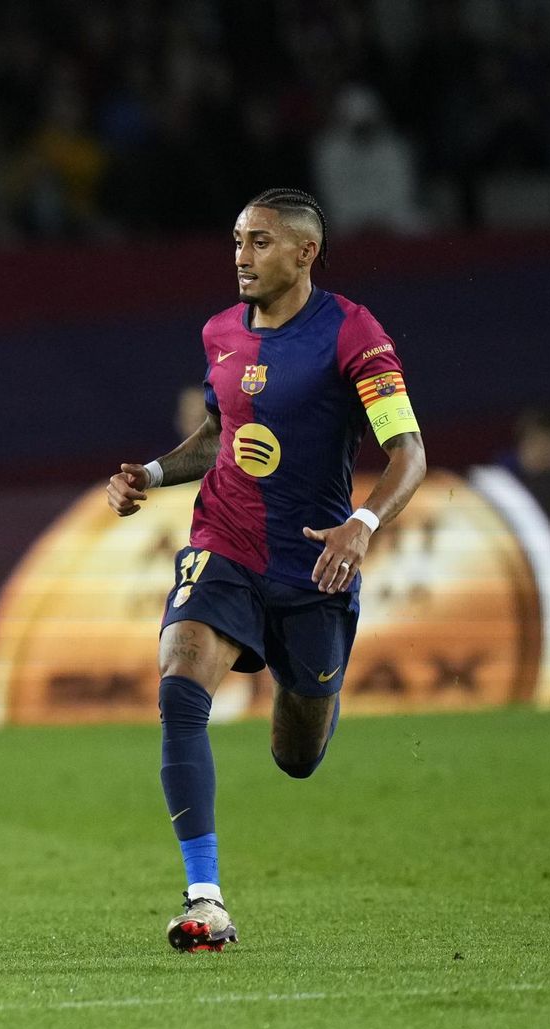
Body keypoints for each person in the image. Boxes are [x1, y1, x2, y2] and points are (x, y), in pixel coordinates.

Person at [106, 189, 427, 953]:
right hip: (225, 544)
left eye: (259, 242)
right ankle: (205, 899)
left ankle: (315, 687)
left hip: (313, 562)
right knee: (179, 684)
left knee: (297, 755)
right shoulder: (220, 332)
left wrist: (364, 522)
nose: (242, 257)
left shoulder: (352, 333)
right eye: (237, 241)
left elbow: (409, 454)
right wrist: (151, 472)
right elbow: (222, 434)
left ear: (305, 253)